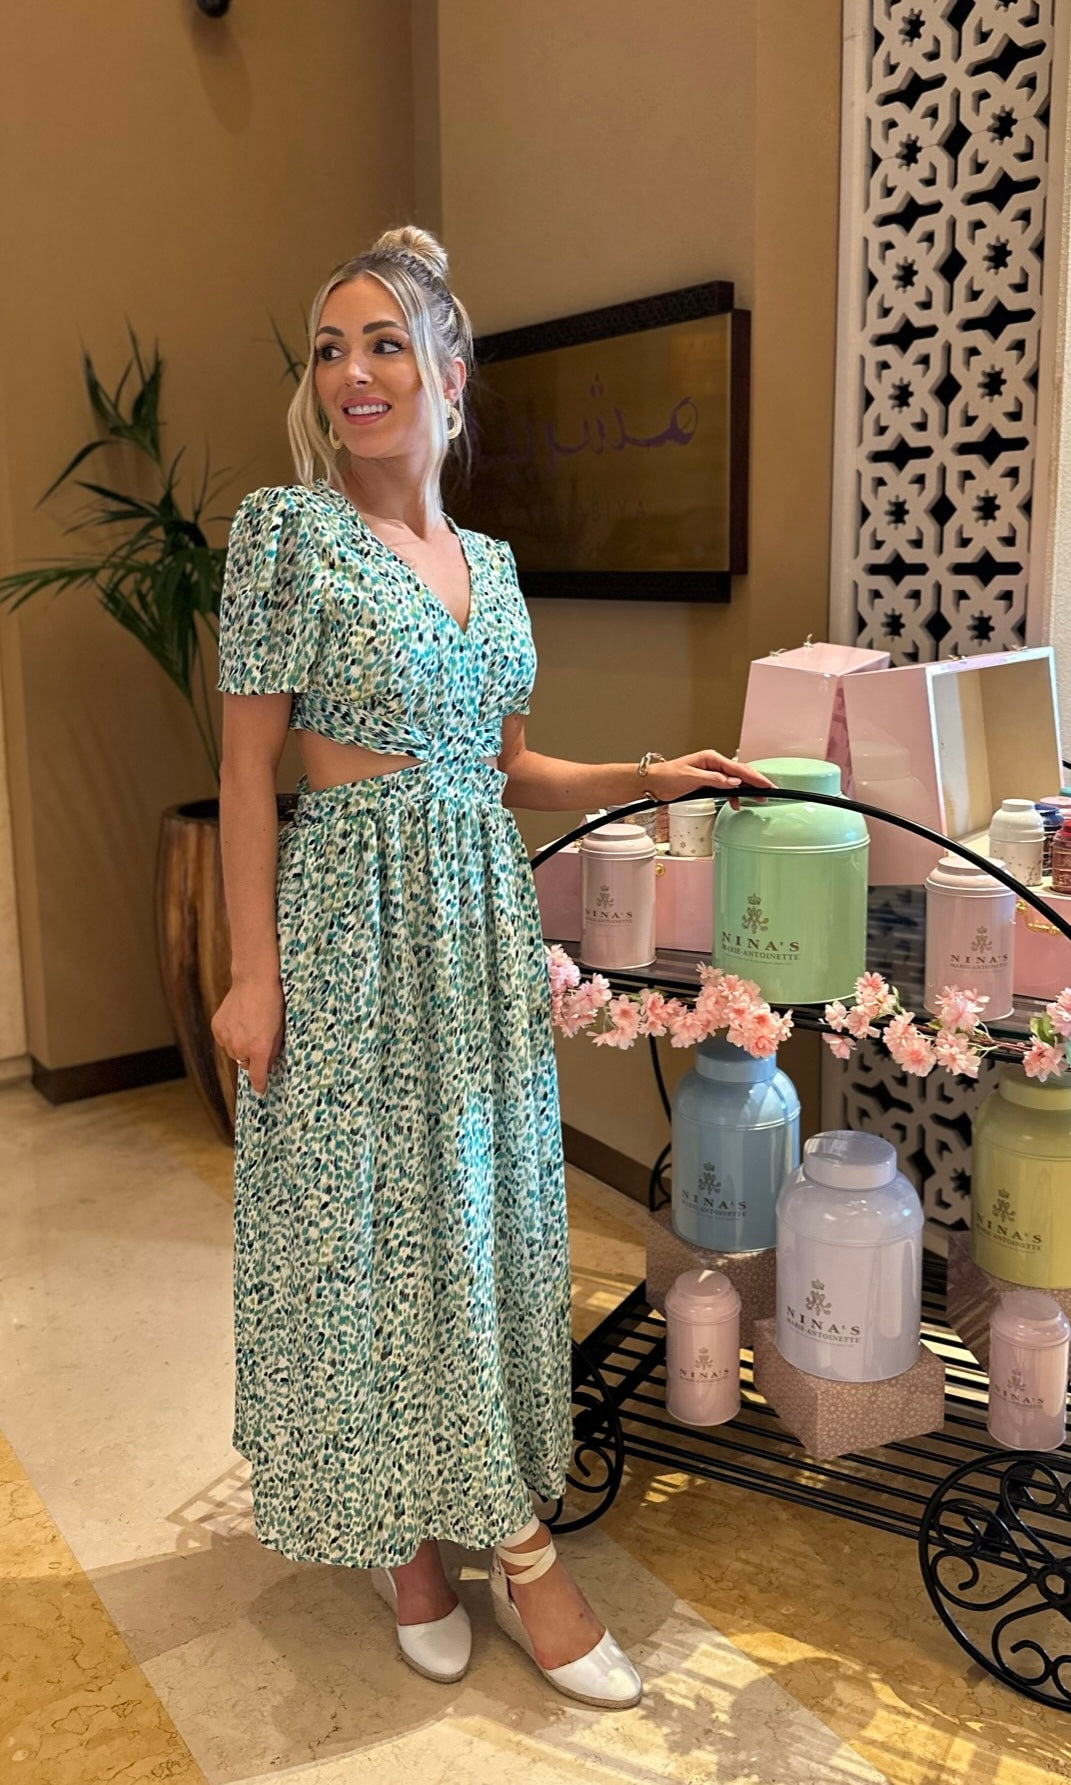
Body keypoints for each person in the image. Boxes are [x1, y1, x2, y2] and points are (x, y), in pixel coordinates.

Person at [211, 225, 770, 1709]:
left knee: (469, 1224)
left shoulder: (494, 567)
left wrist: (646, 771)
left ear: (451, 373)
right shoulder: (286, 534)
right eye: (330, 348)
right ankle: (482, 1552)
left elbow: (501, 765)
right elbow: (249, 773)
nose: (353, 374)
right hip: (345, 932)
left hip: (470, 935)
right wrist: (250, 973)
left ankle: (457, 1509)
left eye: (385, 342)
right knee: (365, 1236)